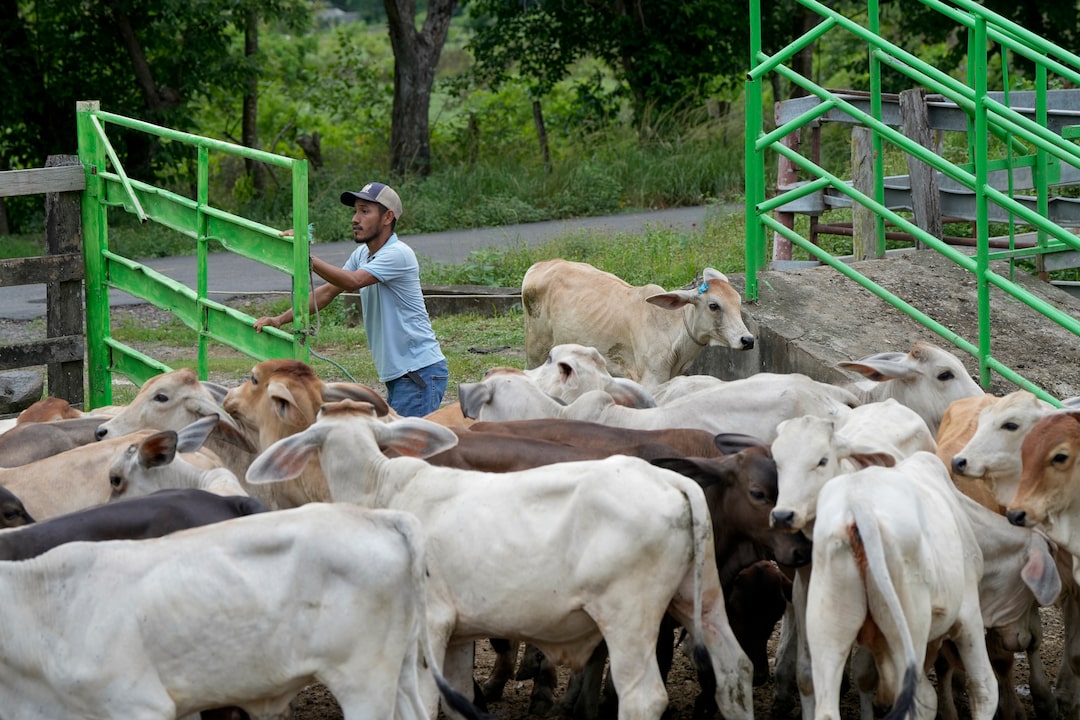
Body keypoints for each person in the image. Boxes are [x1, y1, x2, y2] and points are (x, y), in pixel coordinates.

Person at [254, 182, 448, 417]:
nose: (355, 219)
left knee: (405, 440)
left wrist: (306, 257)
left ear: (387, 217)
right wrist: (279, 319)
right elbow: (327, 292)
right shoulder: (363, 254)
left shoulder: (398, 254)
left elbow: (353, 281)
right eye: (355, 211)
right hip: (405, 373)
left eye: (365, 211)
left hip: (419, 371)